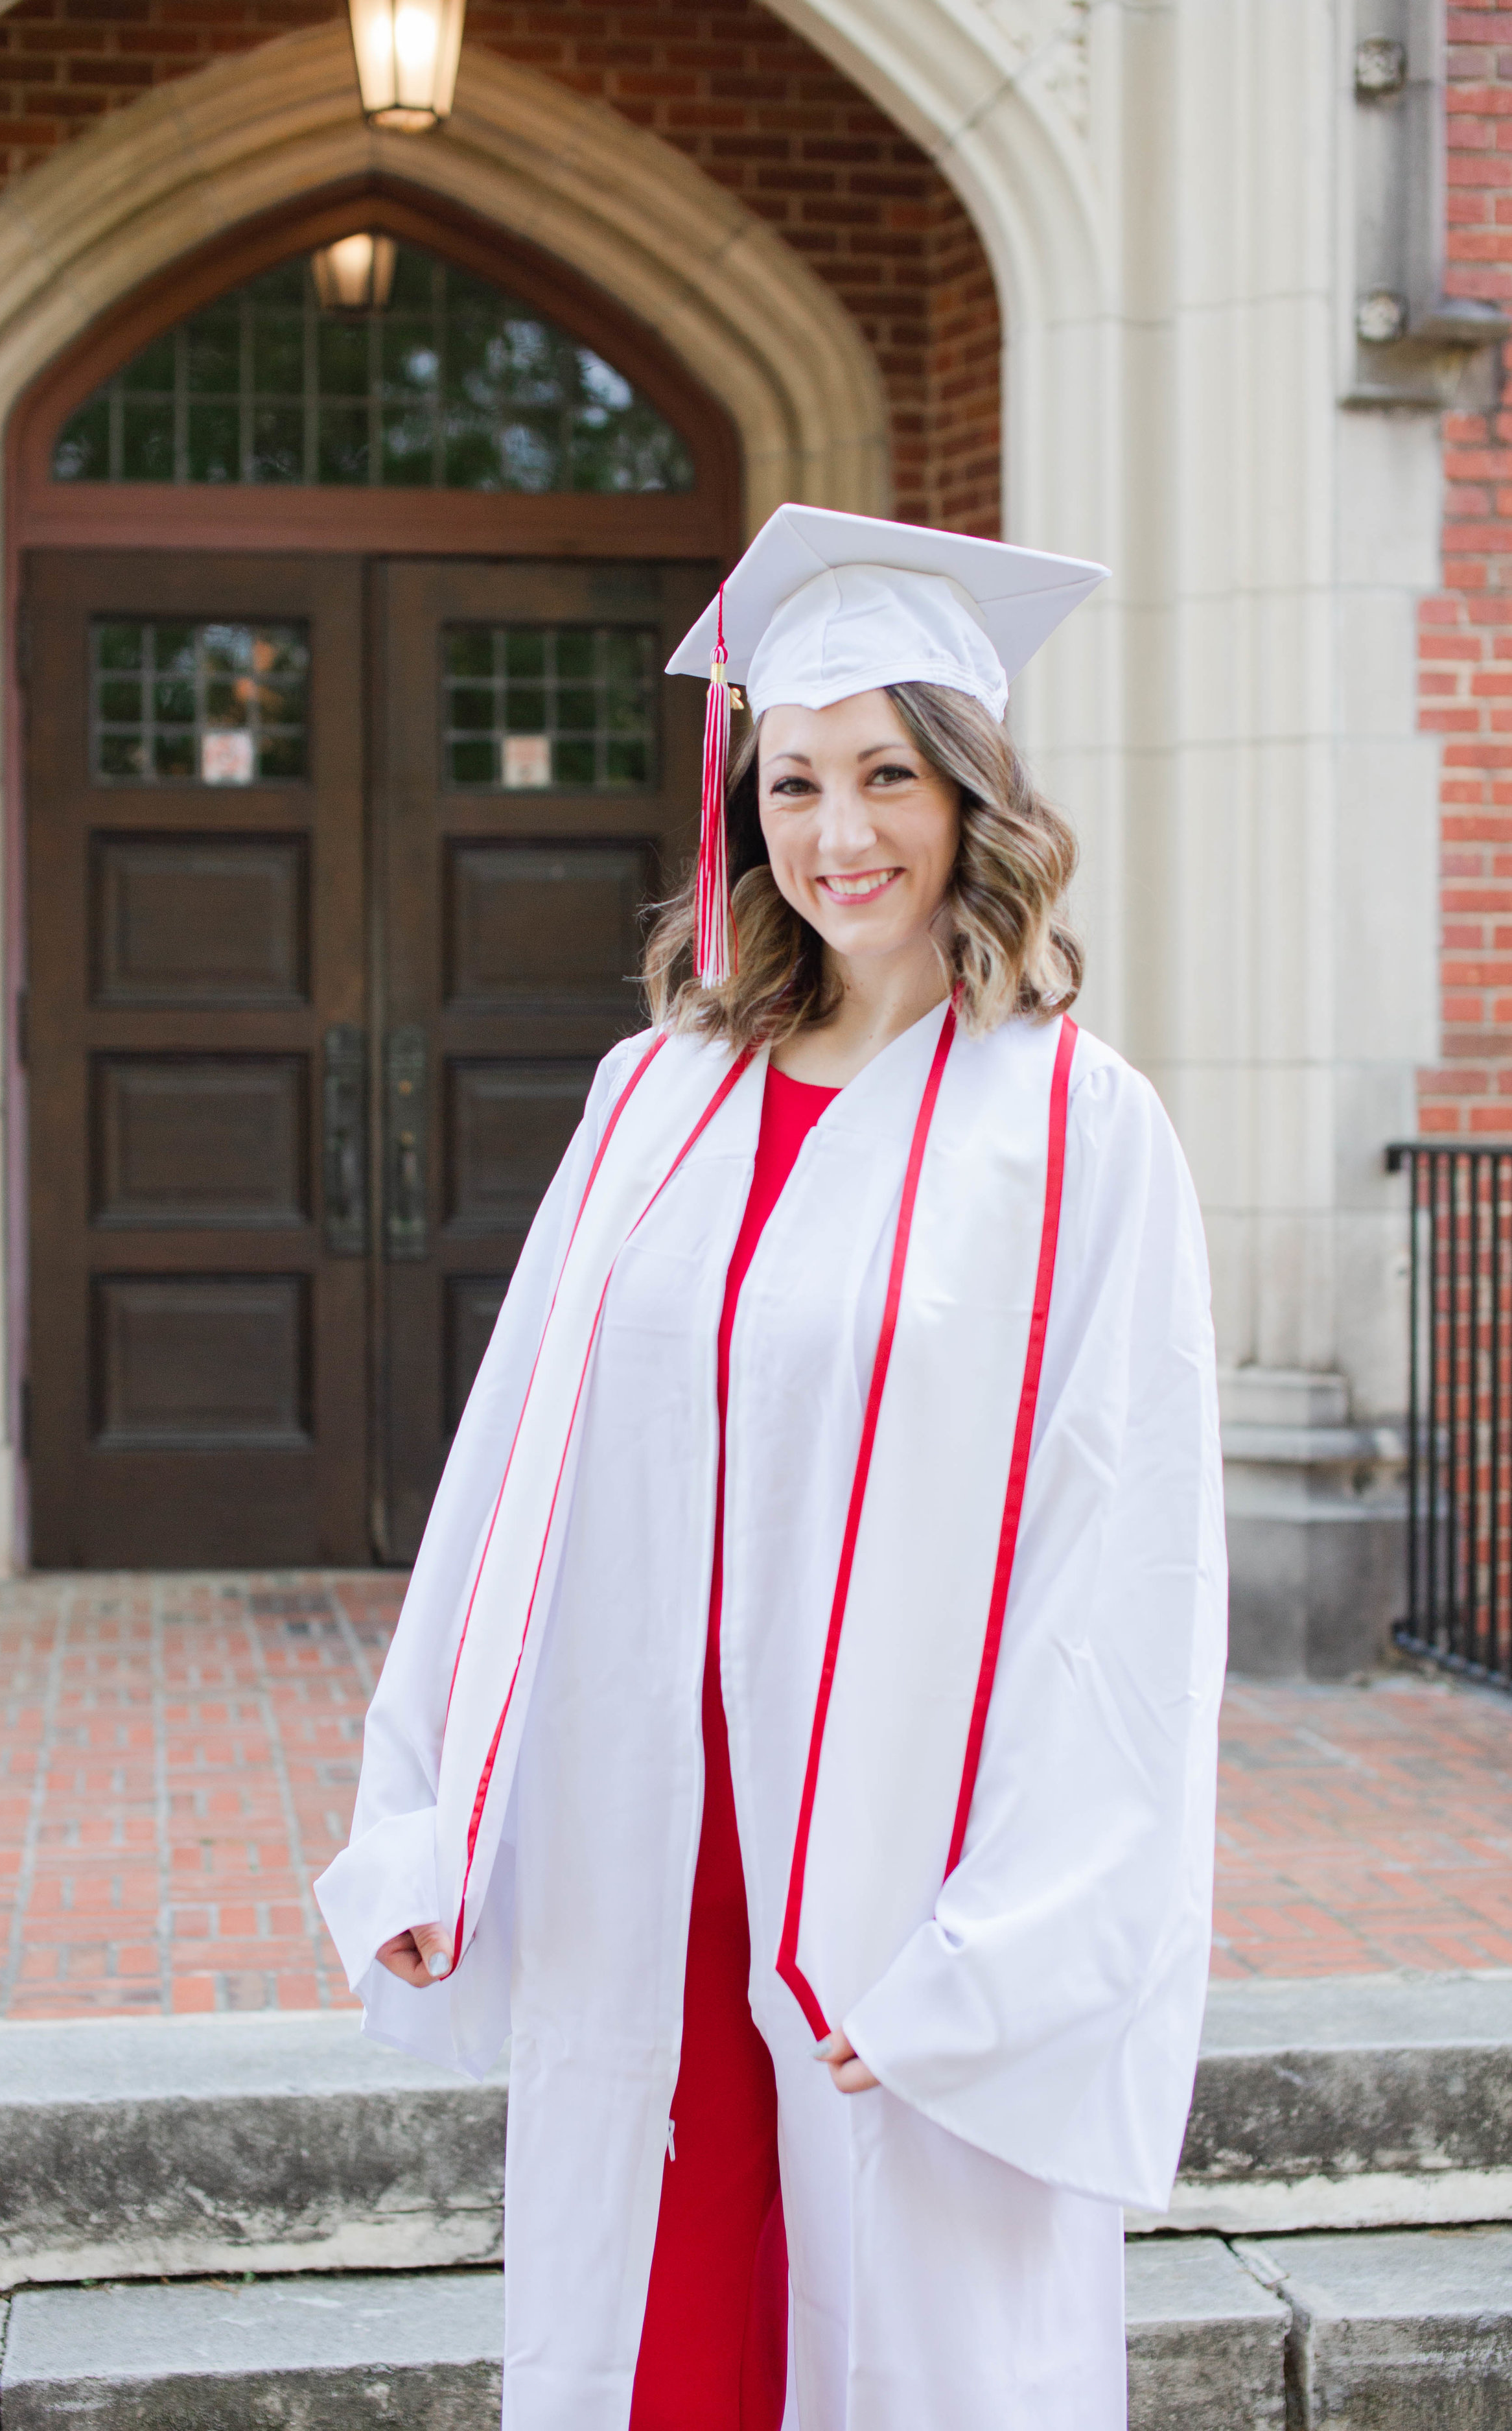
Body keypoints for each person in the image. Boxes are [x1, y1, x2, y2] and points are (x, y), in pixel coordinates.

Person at [316, 504, 1227, 2431]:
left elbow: (1124, 1563)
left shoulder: (1073, 1133)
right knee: (664, 2319)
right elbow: (519, 1470)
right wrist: (430, 1815)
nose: (839, 833)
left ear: (974, 794)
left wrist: (1014, 1937)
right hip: (647, 1829)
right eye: (793, 779)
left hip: (901, 1862)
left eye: (887, 773)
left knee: (899, 2329)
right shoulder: (657, 1092)